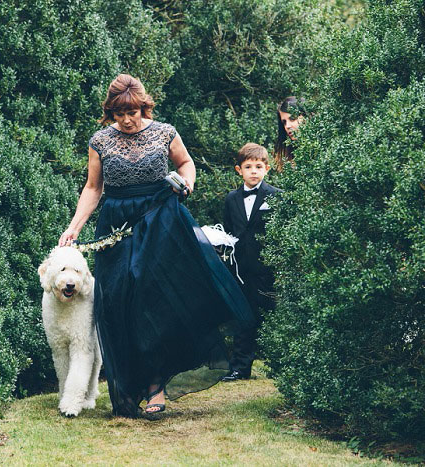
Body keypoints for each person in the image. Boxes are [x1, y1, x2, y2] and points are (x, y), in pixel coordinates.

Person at [58, 74, 254, 418]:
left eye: (132, 112)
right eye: (119, 114)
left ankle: (155, 388)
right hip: (116, 226)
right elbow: (93, 188)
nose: (127, 120)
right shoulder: (100, 141)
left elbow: (185, 163)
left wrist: (186, 184)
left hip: (161, 221)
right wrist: (74, 227)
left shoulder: (165, 132)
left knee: (152, 300)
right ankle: (130, 385)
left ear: (143, 106)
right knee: (120, 300)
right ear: (111, 112)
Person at [221, 143, 281, 382]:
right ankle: (240, 367)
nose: (254, 171)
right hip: (240, 269)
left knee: (271, 316)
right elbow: (227, 231)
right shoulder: (231, 199)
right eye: (248, 167)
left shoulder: (276, 196)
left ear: (267, 168)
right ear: (239, 170)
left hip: (267, 268)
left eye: (258, 166)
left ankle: (280, 365)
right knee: (243, 318)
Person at [274, 96, 308, 172]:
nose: (288, 126)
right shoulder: (288, 160)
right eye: (284, 122)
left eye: (292, 118)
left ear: (306, 116)